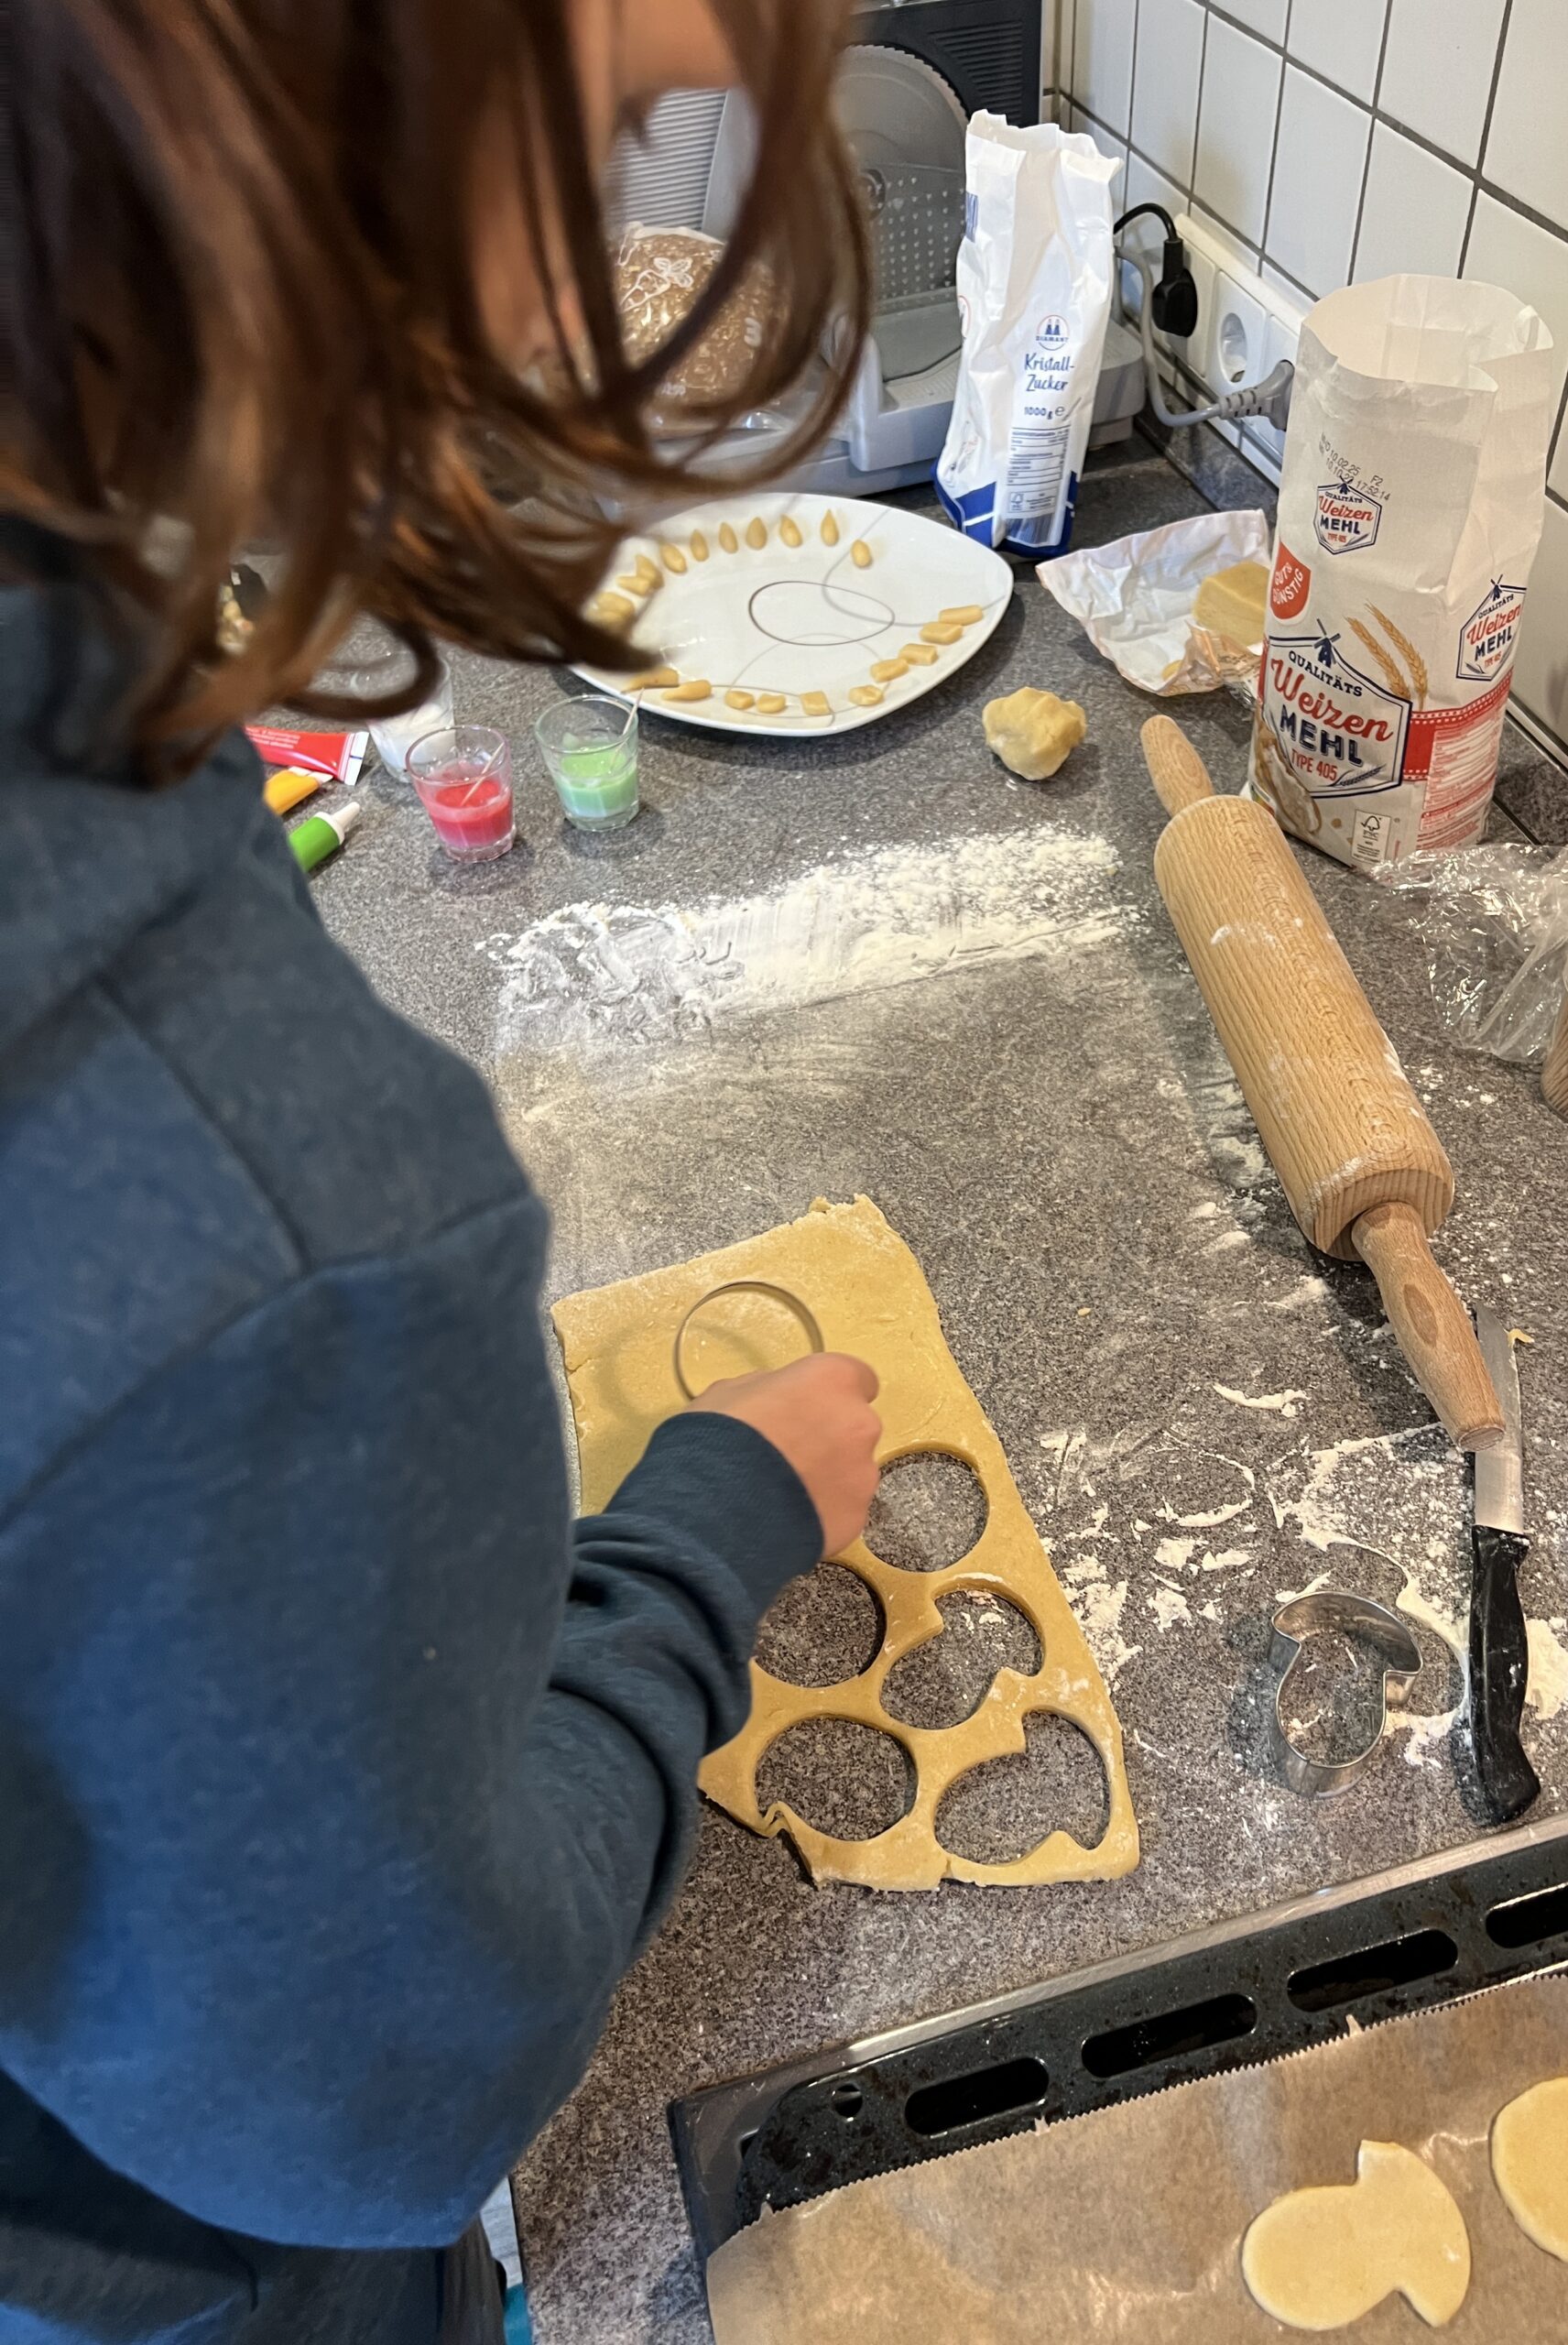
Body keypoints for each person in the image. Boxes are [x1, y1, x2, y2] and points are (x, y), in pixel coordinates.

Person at [0, 3, 880, 2338]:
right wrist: (702, 1537)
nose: (558, 298)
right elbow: (399, 2081)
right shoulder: (250, 1217)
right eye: (591, 147)